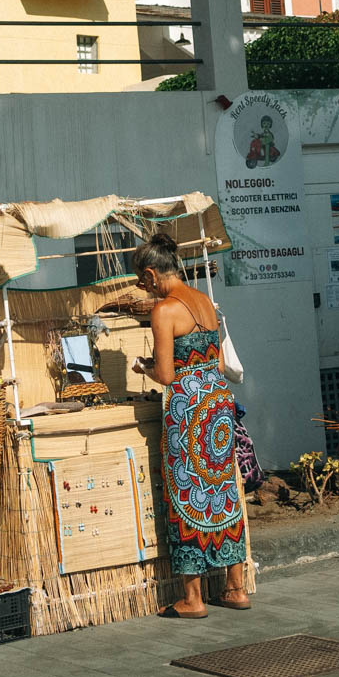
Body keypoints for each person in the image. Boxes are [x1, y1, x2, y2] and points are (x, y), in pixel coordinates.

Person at [131, 232, 249, 618]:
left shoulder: (164, 311)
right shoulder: (204, 303)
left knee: (187, 496)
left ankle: (193, 599)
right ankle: (236, 588)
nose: (141, 288)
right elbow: (213, 362)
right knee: (223, 493)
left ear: (151, 274)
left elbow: (166, 375)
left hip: (187, 411)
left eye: (140, 280)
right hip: (216, 407)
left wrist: (144, 368)